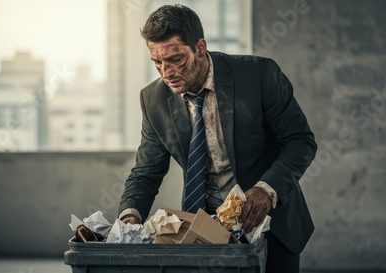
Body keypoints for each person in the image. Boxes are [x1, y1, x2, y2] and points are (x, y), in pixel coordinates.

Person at [117, 4, 316, 272]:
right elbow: (146, 171)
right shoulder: (153, 100)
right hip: (202, 231)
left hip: (271, 225)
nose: (167, 73)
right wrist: (130, 214)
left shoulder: (258, 75)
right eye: (158, 63)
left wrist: (266, 189)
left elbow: (300, 141)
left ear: (200, 48)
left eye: (176, 59)